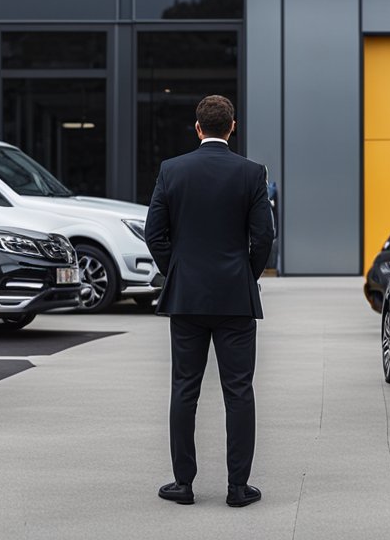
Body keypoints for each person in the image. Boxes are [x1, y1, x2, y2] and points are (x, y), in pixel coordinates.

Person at [144, 94, 275, 508]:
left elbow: (154, 234)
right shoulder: (252, 173)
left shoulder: (172, 170)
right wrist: (245, 274)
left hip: (187, 298)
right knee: (239, 391)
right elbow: (264, 237)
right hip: (235, 297)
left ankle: (183, 484)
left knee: (185, 389)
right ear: (232, 126)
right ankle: (238, 488)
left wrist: (177, 269)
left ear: (197, 128)